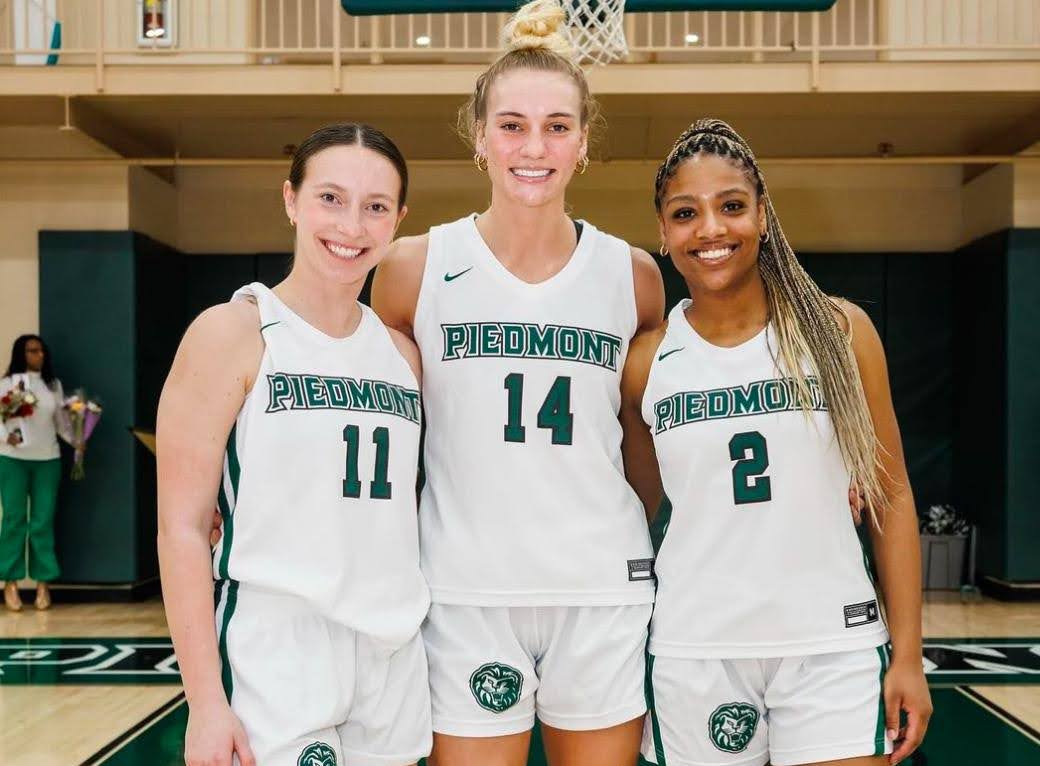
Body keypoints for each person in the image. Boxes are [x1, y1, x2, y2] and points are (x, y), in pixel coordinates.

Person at [370, 2, 664, 764]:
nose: (534, 146)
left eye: (558, 125)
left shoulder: (632, 276)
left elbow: (647, 442)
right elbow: (385, 438)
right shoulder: (411, 267)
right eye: (512, 124)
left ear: (584, 142)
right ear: (479, 136)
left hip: (600, 588)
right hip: (464, 592)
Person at [620, 119, 932, 766]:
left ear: (762, 214)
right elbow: (631, 515)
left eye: (731, 206)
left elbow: (892, 495)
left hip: (832, 643)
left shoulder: (840, 332)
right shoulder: (647, 362)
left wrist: (908, 655)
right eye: (686, 213)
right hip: (695, 648)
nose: (710, 229)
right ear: (663, 231)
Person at [158, 123, 432, 766]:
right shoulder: (235, 332)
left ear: (397, 221)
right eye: (330, 198)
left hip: (392, 649)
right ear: (291, 201)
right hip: (275, 649)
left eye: (375, 207)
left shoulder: (403, 356)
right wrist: (203, 701)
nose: (351, 226)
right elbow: (181, 528)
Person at [0, 334, 70, 612]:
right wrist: (7, 439)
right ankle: (10, 583)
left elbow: (61, 421)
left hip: (48, 459)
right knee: (14, 519)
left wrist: (77, 437)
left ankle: (43, 584)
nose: (38, 355)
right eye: (32, 351)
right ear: (21, 353)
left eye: (41, 351)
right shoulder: (7, 384)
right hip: (13, 460)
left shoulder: (53, 385)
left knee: (42, 521)